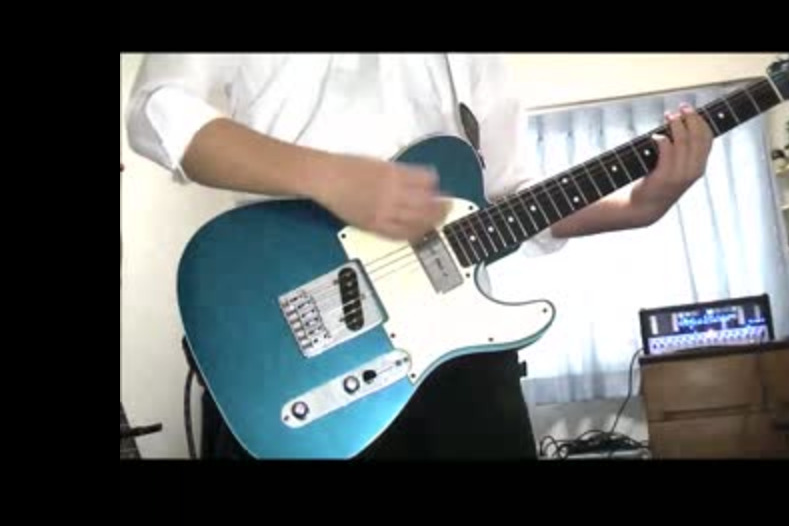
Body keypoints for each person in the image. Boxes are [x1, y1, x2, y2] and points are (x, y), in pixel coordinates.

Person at [125, 53, 713, 460]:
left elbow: (508, 198)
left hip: (459, 353)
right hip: (302, 342)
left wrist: (638, 206)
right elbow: (157, 111)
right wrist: (326, 175)